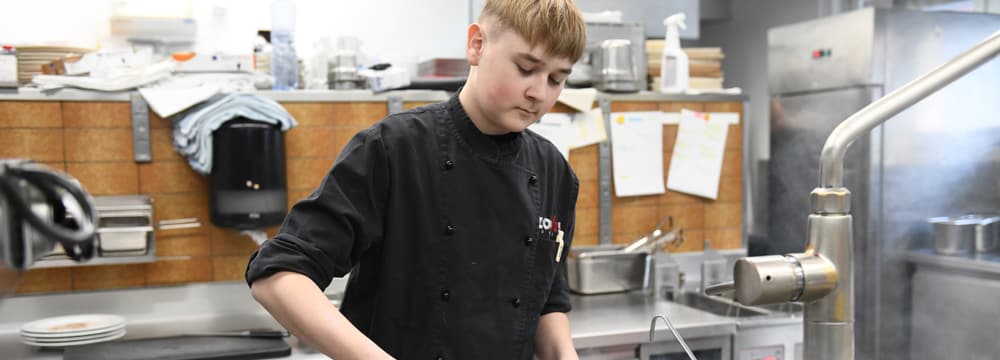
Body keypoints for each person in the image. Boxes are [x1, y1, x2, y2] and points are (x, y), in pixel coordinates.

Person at [245, 0, 586, 358]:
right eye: (526, 69)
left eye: (556, 79)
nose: (539, 93)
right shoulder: (393, 148)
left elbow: (546, 299)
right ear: (477, 45)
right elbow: (279, 274)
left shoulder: (554, 171)